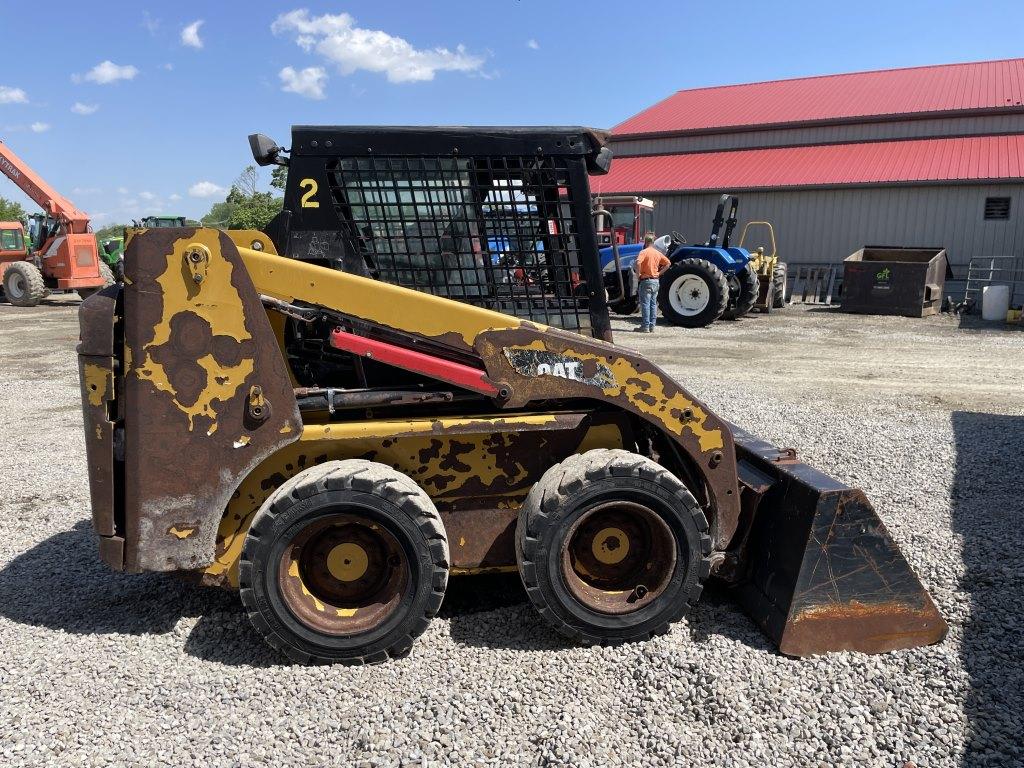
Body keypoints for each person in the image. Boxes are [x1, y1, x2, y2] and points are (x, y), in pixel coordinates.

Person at [633, 233, 671, 333]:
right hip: (655, 281)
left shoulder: (643, 252)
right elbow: (668, 263)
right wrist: (659, 273)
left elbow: (637, 263)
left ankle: (645, 326)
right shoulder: (657, 253)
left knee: (645, 304)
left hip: (646, 281)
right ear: (653, 243)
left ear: (645, 242)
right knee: (653, 304)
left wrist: (638, 275)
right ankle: (652, 326)